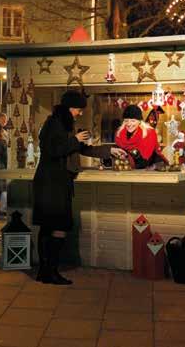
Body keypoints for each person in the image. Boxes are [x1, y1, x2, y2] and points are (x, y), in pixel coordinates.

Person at [33, 90, 126, 285]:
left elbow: (84, 149)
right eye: (78, 109)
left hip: (57, 182)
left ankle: (46, 271)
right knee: (56, 226)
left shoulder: (65, 124)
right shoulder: (53, 124)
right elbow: (53, 150)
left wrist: (110, 150)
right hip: (51, 183)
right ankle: (49, 272)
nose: (80, 113)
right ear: (69, 108)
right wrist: (75, 140)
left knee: (51, 226)